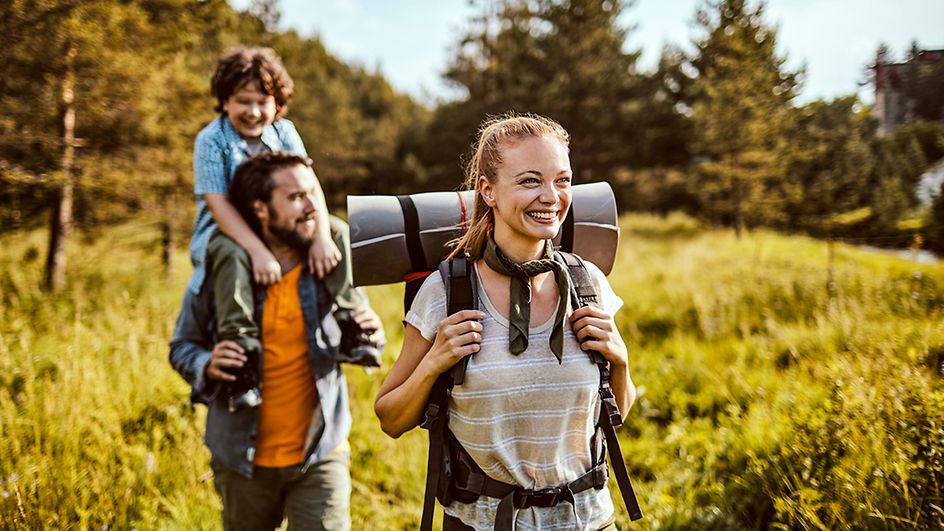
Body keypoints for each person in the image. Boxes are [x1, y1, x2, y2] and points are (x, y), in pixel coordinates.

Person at [374, 114, 636, 530]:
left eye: (562, 180)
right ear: (488, 191)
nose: (551, 197)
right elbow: (390, 418)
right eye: (530, 181)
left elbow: (614, 412)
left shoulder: (589, 283)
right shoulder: (447, 293)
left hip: (589, 520)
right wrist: (433, 363)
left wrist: (619, 363)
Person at [170, 151, 384, 530]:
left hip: (320, 452)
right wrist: (207, 363)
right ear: (261, 209)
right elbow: (182, 346)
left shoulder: (328, 261)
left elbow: (359, 334)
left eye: (311, 193)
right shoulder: (223, 271)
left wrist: (373, 332)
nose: (311, 206)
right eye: (295, 197)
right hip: (242, 461)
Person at [189, 46, 380, 367]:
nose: (252, 112)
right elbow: (217, 203)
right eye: (242, 101)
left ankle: (352, 322)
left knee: (337, 232)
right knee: (231, 254)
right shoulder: (212, 140)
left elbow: (310, 185)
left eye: (261, 102)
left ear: (276, 103)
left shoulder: (284, 132)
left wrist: (319, 236)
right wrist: (257, 251)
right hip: (229, 230)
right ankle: (242, 345)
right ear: (224, 101)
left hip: (284, 223)